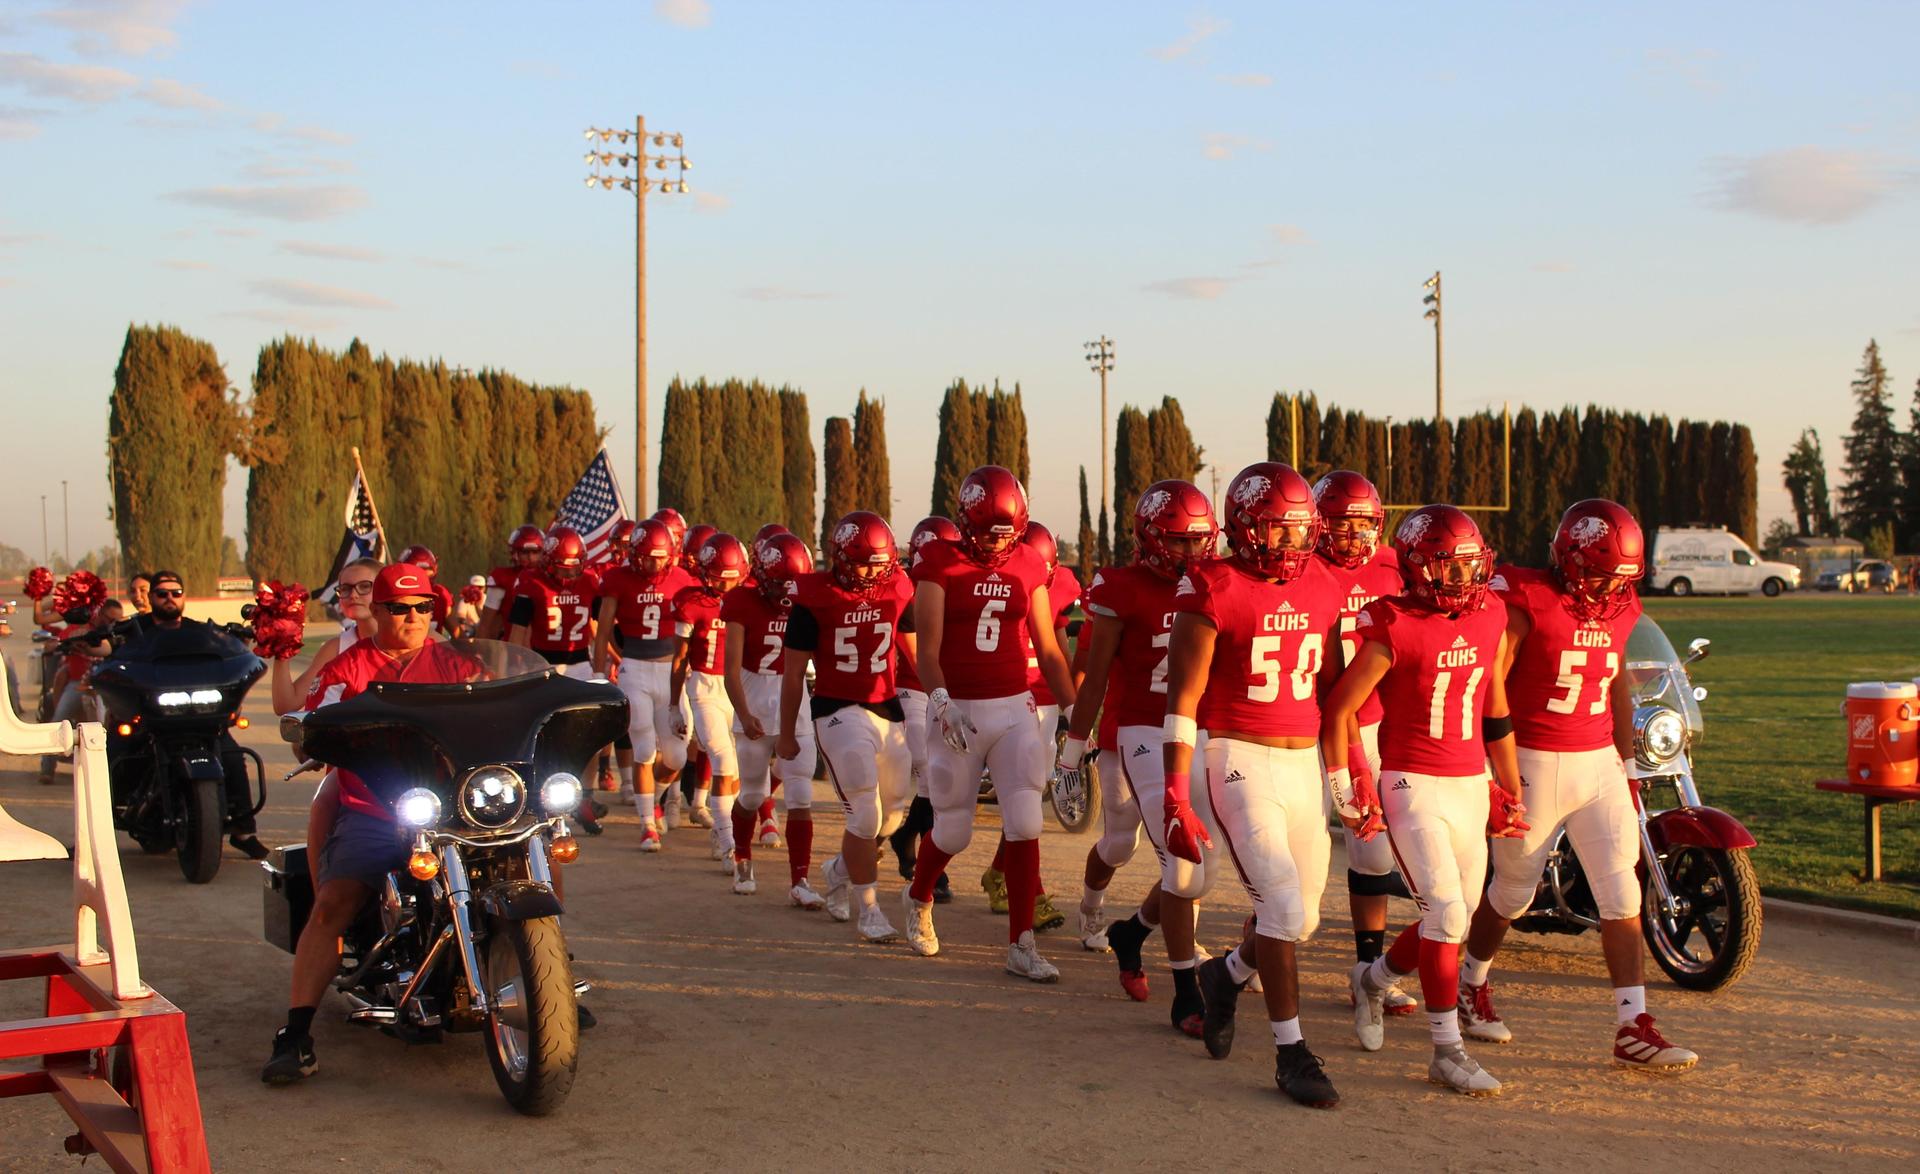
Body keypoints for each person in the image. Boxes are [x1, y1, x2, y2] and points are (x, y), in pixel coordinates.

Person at [1461, 500, 1697, 1069]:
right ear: (1568, 559)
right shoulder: (1528, 599)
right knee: (1513, 892)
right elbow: (1489, 684)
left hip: (1598, 764)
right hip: (1534, 761)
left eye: (1620, 578)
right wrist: (1492, 769)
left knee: (1622, 893)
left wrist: (1627, 764)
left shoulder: (1623, 606)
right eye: (1599, 574)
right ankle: (1471, 981)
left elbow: (1616, 683)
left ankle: (1633, 1025)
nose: (1610, 588)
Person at [1145, 464, 1346, 1107]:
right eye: (1277, 528)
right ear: (1244, 527)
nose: (1291, 541)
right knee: (1281, 907)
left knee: (1303, 918)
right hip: (1238, 758)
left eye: (1299, 528)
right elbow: (1182, 702)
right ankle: (1291, 1052)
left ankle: (1226, 974)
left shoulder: (1324, 581)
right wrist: (1175, 793)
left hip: (1303, 761)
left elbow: (1336, 694)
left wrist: (1351, 773)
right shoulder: (1212, 584)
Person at [1325, 505, 1525, 1096]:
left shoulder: (1491, 613)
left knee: (1454, 918)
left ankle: (1372, 979)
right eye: (1448, 566)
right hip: (1411, 782)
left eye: (1470, 564)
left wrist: (1508, 784)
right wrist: (1350, 783)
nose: (1463, 578)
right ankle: (1446, 1051)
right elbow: (1340, 709)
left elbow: (1494, 705)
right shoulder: (1394, 621)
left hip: (1467, 781)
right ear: (1416, 567)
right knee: (1447, 914)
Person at [261, 563, 486, 1085]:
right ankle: (296, 1034)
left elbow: (496, 714)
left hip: (453, 809)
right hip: (376, 808)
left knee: (523, 857)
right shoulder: (347, 668)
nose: (413, 617)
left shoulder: (458, 665)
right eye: (401, 608)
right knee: (331, 904)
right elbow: (309, 729)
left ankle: (550, 974)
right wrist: (320, 740)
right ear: (378, 611)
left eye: (423, 607)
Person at [904, 466, 1077, 980]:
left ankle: (1021, 944)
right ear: (965, 522)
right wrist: (941, 701)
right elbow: (927, 650)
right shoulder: (939, 561)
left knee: (1025, 822)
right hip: (957, 709)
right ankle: (918, 896)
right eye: (987, 533)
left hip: (1014, 707)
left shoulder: (1028, 561)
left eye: (1007, 534)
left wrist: (1074, 712)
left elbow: (1049, 649)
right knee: (954, 831)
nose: (997, 544)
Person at [1060, 480, 1218, 1011]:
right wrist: (1071, 750)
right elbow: (1092, 677)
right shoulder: (1120, 588)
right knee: (1122, 844)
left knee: (1192, 853)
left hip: (1193, 732)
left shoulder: (1218, 582)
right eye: (1177, 540)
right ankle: (1092, 907)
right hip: (1137, 732)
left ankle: (1156, 934)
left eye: (1197, 539)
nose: (1189, 551)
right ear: (1149, 537)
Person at [778, 511, 917, 943]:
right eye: (862, 564)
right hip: (837, 708)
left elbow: (915, 652)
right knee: (864, 810)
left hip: (886, 706)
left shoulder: (899, 586)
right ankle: (869, 909)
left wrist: (944, 697)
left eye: (878, 565)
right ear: (839, 557)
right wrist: (787, 733)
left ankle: (838, 870)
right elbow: (793, 674)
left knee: (891, 816)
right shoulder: (814, 597)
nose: (871, 574)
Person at [1311, 470, 1419, 1018]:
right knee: (1296, 857)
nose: (1354, 536)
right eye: (1340, 525)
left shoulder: (1394, 566)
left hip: (1371, 721)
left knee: (1373, 851)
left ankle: (1366, 970)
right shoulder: (1299, 569)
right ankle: (1256, 946)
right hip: (1299, 728)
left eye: (1363, 524)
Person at [975, 522, 1078, 933]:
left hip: (1046, 697)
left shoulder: (1062, 584)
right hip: (1014, 696)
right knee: (1023, 798)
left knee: (1028, 799)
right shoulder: (998, 579)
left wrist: (1072, 701)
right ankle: (1031, 893)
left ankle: (999, 872)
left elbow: (1057, 646)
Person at [722, 533, 822, 902]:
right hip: (755, 697)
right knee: (752, 794)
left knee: (800, 793)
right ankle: (742, 857)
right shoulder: (741, 600)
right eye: (780, 582)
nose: (786, 590)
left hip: (795, 698)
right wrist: (743, 712)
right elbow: (730, 669)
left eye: (791, 582)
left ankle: (800, 881)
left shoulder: (810, 599)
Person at [274, 557, 381, 874]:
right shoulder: (339, 647)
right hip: (354, 765)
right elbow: (289, 703)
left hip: (413, 761)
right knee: (323, 806)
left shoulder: (427, 642)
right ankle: (322, 891)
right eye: (345, 588)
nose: (353, 594)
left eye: (365, 586)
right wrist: (281, 651)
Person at [593, 519, 696, 848]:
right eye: (648, 557)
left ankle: (654, 797)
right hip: (635, 669)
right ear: (635, 554)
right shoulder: (617, 578)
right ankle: (647, 824)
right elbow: (603, 630)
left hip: (671, 672)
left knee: (677, 757)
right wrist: (600, 673)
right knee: (644, 747)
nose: (653, 564)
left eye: (659, 557)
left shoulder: (682, 579)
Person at [506, 528, 607, 834]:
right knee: (544, 736)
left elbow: (598, 627)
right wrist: (515, 671)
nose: (569, 574)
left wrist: (602, 666)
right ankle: (544, 801)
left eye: (574, 568)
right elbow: (518, 633)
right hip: (544, 664)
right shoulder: (531, 583)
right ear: (549, 562)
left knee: (592, 732)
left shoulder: (590, 581)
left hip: (581, 664)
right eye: (562, 568)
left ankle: (585, 797)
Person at [884, 516, 958, 904]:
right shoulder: (905, 591)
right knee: (930, 773)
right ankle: (935, 872)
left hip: (946, 690)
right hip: (912, 689)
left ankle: (904, 835)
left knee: (939, 780)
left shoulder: (961, 581)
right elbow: (916, 657)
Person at [670, 532, 750, 863]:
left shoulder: (750, 599)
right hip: (705, 688)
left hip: (741, 686)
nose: (726, 585)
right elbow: (680, 659)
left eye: (732, 578)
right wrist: (674, 705)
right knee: (722, 758)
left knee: (739, 768)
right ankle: (729, 840)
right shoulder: (691, 602)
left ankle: (720, 827)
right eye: (719, 578)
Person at [37, 599, 121, 782]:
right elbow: (54, 643)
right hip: (78, 684)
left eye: (117, 620)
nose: (113, 623)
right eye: (110, 619)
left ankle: (111, 772)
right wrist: (64, 643)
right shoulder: (79, 629)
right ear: (100, 614)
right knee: (59, 721)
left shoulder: (117, 633)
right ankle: (47, 768)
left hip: (105, 686)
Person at [478, 524, 546, 641]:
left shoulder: (549, 578)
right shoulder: (503, 578)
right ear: (515, 553)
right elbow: (486, 625)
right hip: (514, 647)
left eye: (535, 552)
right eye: (525, 552)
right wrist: (479, 650)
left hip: (546, 649)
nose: (530, 558)